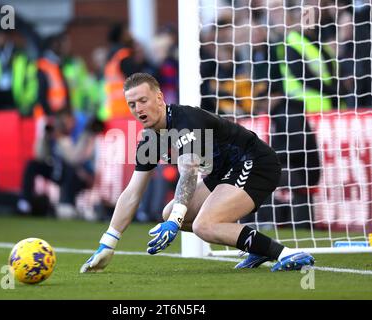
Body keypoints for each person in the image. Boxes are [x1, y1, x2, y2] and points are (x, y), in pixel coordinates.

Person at [80, 73, 315, 273]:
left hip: (254, 162)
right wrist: (107, 244)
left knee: (203, 224)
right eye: (132, 104)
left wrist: (175, 222)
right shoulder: (150, 139)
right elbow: (132, 193)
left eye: (143, 100)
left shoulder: (185, 120)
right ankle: (257, 248)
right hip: (223, 173)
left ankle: (286, 253)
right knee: (169, 212)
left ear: (159, 98)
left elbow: (189, 172)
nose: (138, 109)